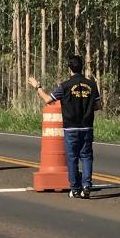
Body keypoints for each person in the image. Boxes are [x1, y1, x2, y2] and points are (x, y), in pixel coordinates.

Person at [28, 55, 102, 199]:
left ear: (69, 69)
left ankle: (75, 189)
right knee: (86, 157)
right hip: (87, 127)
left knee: (72, 158)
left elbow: (48, 99)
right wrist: (86, 107)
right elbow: (98, 105)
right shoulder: (92, 85)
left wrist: (37, 86)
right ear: (82, 68)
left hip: (71, 128)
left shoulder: (65, 86)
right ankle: (87, 186)